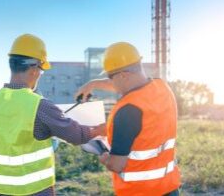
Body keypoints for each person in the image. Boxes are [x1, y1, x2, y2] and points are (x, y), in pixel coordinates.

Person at [0, 34, 105, 196]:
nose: (39, 75)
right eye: (41, 70)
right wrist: (101, 129)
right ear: (34, 68)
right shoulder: (39, 106)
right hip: (33, 191)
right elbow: (77, 135)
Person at [76, 42, 181, 196]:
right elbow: (143, 126)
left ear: (124, 75)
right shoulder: (162, 88)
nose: (110, 82)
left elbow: (116, 165)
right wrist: (92, 84)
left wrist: (104, 156)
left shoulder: (127, 110)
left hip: (139, 191)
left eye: (110, 77)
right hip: (169, 188)